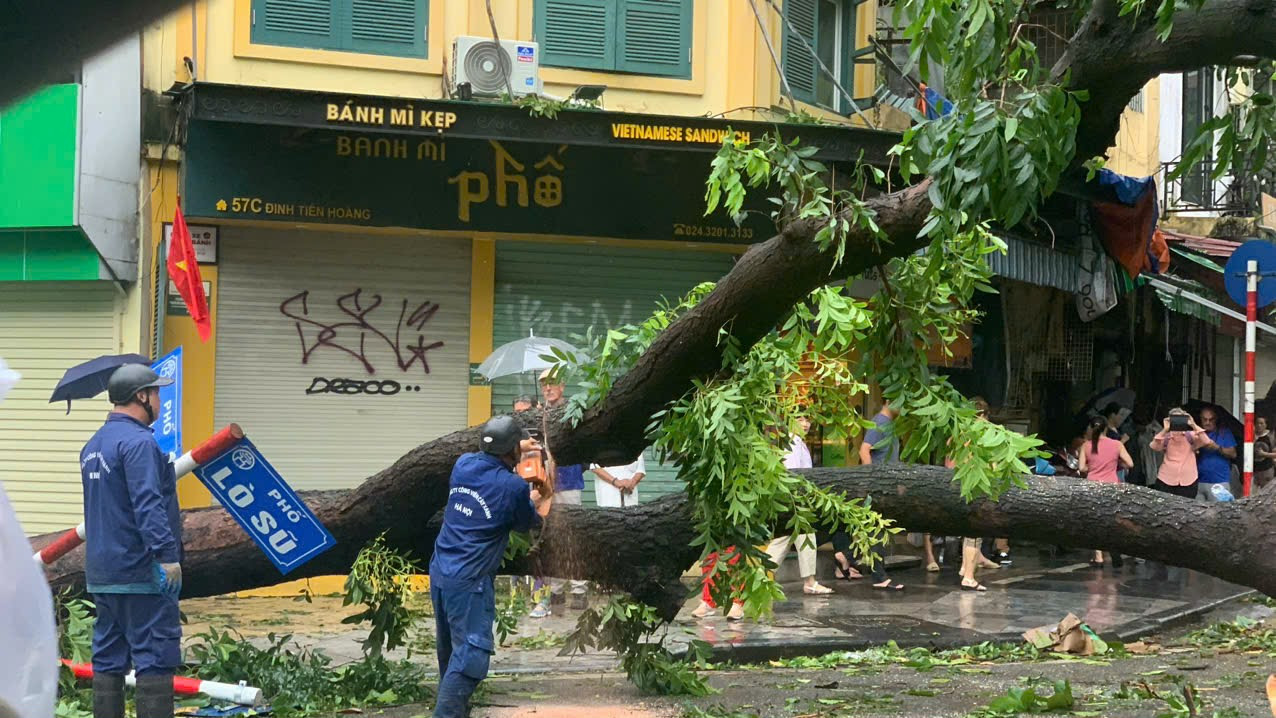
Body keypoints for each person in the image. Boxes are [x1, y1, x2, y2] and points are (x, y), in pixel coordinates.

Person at [430, 415, 552, 718]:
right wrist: (540, 495)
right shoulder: (512, 487)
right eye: (518, 450)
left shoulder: (463, 465)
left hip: (441, 570)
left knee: (451, 653)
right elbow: (528, 523)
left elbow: (492, 462)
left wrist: (518, 446)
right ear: (511, 451)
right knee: (471, 656)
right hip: (470, 579)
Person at [80, 364, 181, 718]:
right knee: (155, 657)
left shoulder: (93, 445)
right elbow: (148, 505)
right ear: (142, 396)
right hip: (142, 574)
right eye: (157, 393)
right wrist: (168, 557)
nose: (160, 400)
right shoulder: (138, 443)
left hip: (102, 574)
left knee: (108, 659)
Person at [529, 369, 587, 616]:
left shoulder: (572, 410)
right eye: (544, 385)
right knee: (550, 535)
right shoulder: (539, 414)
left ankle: (579, 588)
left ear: (562, 385)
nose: (548, 389)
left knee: (572, 533)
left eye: (552, 384)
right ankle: (555, 587)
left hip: (569, 480)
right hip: (544, 482)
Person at [765, 416, 834, 596]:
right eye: (800, 419)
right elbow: (795, 473)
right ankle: (806, 581)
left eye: (808, 420)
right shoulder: (793, 443)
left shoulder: (796, 442)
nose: (805, 424)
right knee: (800, 537)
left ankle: (762, 574)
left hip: (796, 498)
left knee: (788, 538)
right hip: (796, 498)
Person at [948, 397, 1001, 592]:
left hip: (961, 483)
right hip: (977, 484)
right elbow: (992, 462)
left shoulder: (959, 432)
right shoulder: (983, 433)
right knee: (975, 533)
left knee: (968, 531)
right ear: (982, 415)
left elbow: (951, 459)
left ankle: (964, 569)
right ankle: (969, 577)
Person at [855, 402, 903, 591]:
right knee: (876, 529)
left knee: (880, 528)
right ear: (887, 401)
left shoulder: (889, 424)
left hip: (886, 485)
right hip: (879, 485)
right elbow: (864, 449)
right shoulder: (880, 423)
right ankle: (878, 575)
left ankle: (874, 571)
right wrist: (871, 479)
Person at [1078, 415, 1134, 567]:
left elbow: (1081, 468)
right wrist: (1116, 464)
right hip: (1111, 487)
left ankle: (1098, 557)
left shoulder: (1086, 445)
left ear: (1091, 428)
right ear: (1106, 428)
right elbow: (1130, 463)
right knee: (1111, 520)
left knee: (1095, 521)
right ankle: (1114, 549)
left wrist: (1094, 467)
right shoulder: (1116, 444)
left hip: (1092, 487)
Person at [1149, 408, 1210, 499]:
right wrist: (1165, 429)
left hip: (1189, 479)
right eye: (1175, 419)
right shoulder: (1166, 437)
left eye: (1180, 418)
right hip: (1166, 479)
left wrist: (1193, 424)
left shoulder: (1190, 436)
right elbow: (1153, 446)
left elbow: (1206, 441)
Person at [1196, 407, 1238, 502]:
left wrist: (1217, 447)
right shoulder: (1196, 433)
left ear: (1216, 419)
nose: (1208, 422)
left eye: (1211, 419)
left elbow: (1233, 454)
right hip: (1199, 481)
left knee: (1219, 514)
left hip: (1219, 482)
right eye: (1205, 419)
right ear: (1200, 419)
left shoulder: (1224, 432)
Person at [1255, 416, 1275, 492]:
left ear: (1266, 425)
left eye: (1261, 423)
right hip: (1253, 470)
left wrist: (1264, 454)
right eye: (1257, 423)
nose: (1259, 425)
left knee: (1266, 493)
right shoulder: (1251, 436)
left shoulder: (1271, 436)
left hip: (1266, 469)